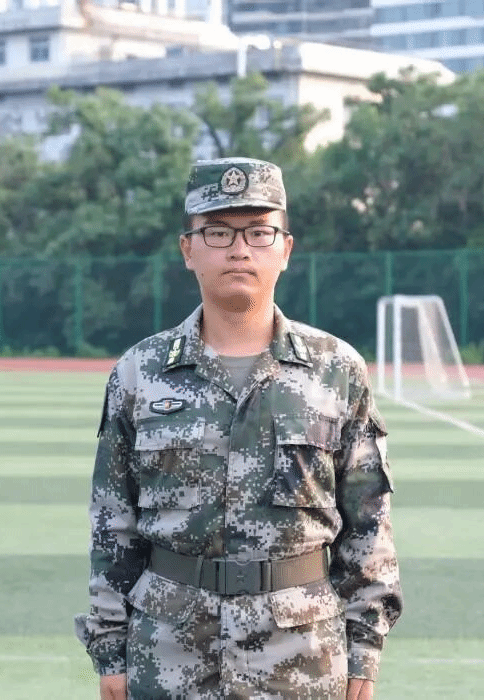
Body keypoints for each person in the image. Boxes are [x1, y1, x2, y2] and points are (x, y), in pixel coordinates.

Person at [75, 157, 402, 700]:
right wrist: (109, 649)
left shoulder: (336, 369)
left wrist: (364, 653)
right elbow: (113, 524)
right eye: (218, 232)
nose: (238, 249)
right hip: (169, 653)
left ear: (285, 249)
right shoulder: (139, 372)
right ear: (188, 249)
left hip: (301, 658)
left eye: (258, 231)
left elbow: (368, 524)